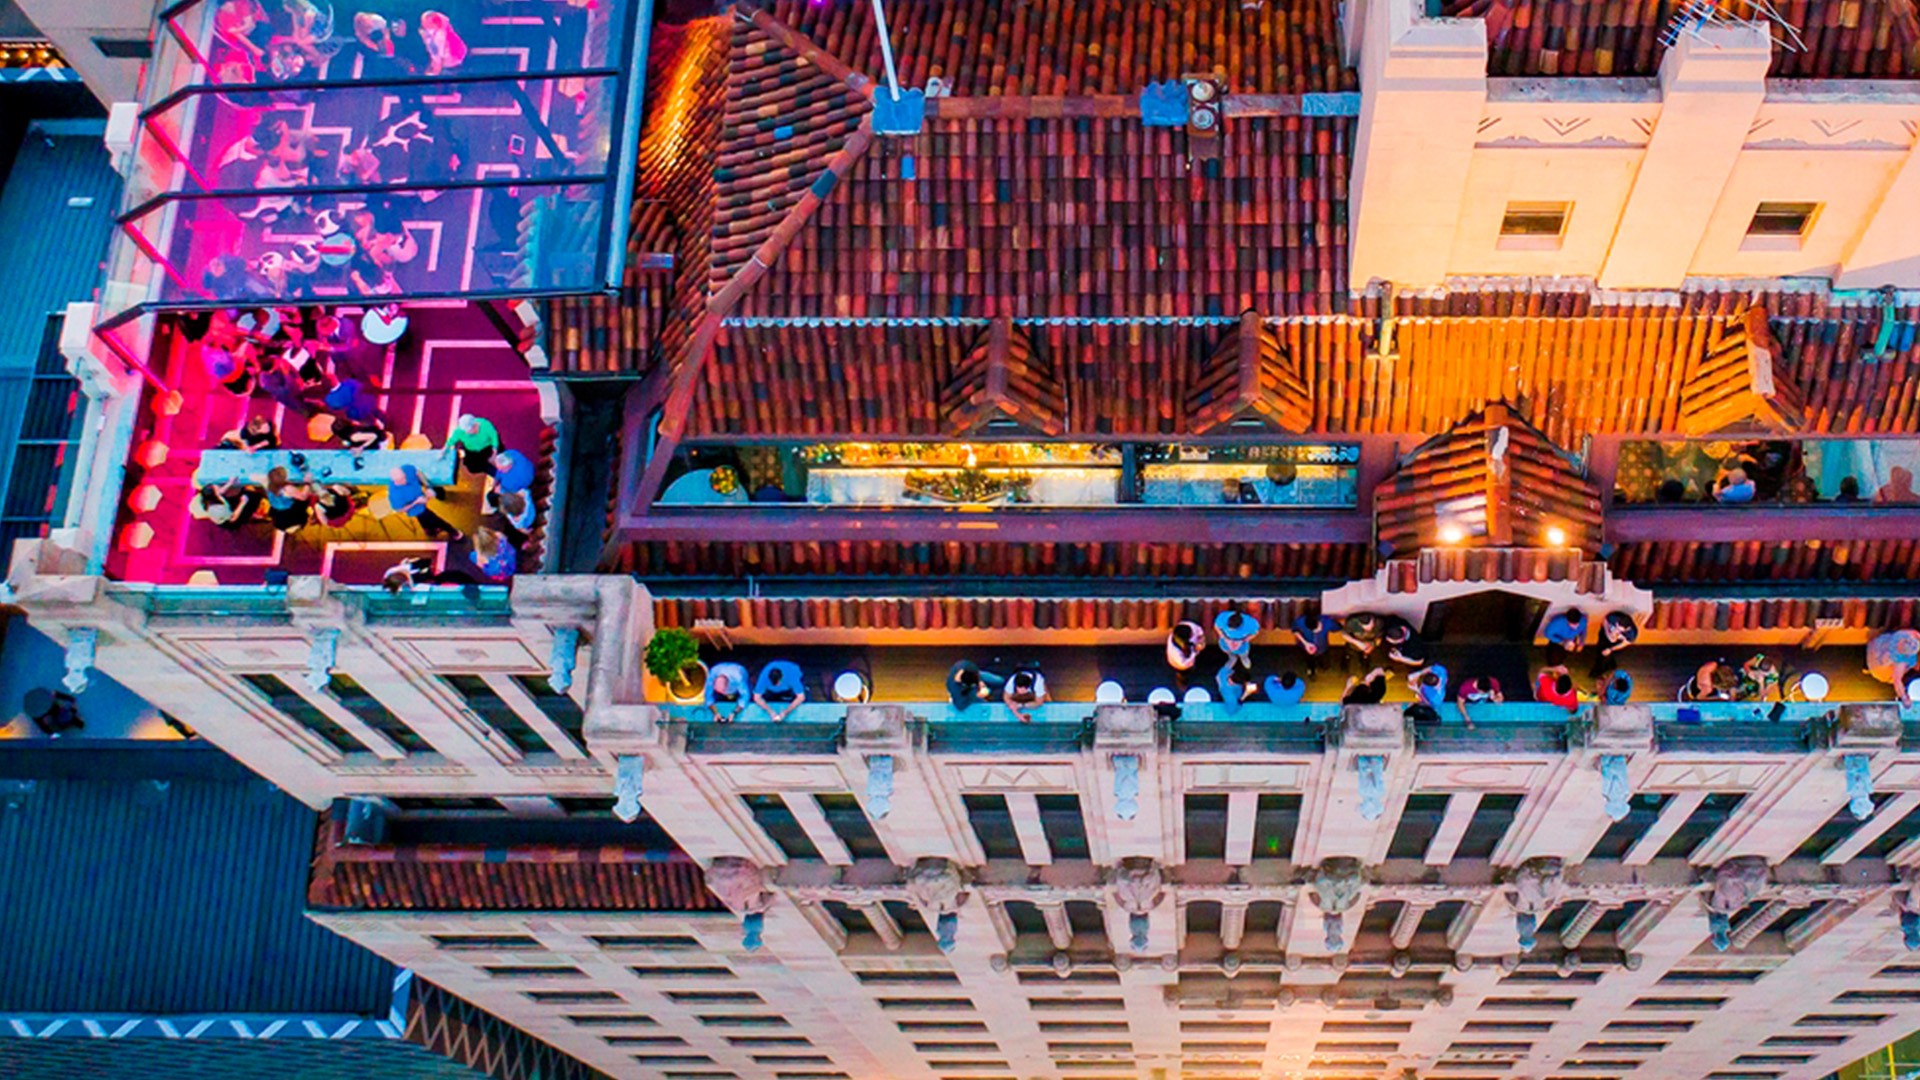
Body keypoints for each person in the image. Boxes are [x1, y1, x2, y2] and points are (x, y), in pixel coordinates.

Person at [387, 464, 463, 540]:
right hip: (415, 507)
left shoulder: (407, 469)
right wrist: (416, 502)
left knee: (424, 519)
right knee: (432, 518)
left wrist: (427, 486)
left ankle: (429, 530)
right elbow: (400, 509)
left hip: (419, 495)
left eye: (404, 477)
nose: (405, 480)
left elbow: (418, 472)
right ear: (395, 481)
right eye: (401, 480)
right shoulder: (395, 494)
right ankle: (453, 532)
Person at [1868, 630, 1920, 705]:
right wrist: (1904, 698)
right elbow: (1897, 681)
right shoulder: (1901, 661)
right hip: (1878, 667)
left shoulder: (1910, 634)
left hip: (1877, 646)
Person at [191, 480, 261, 530]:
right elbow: (232, 518)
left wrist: (230, 483)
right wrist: (242, 503)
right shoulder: (218, 509)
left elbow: (219, 492)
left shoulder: (208, 494)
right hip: (228, 518)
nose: (218, 487)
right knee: (250, 499)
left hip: (224, 506)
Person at [263, 466, 314, 533]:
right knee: (305, 498)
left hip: (277, 512)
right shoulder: (287, 489)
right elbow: (303, 497)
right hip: (289, 515)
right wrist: (307, 483)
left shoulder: (268, 484)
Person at [1291, 613, 1339, 677]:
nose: (1316, 631)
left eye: (1318, 627)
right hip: (1307, 648)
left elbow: (1338, 628)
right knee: (1309, 660)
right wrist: (1305, 643)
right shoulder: (1299, 621)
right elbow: (1294, 630)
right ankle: (1311, 670)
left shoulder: (1327, 621)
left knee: (1324, 662)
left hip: (1323, 647)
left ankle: (1323, 666)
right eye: (1312, 630)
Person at [1593, 611, 1640, 676]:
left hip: (1616, 644)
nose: (1617, 629)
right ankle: (1607, 666)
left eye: (1620, 630)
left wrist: (1611, 649)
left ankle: (1600, 671)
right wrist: (1608, 634)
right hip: (1605, 636)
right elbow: (1605, 621)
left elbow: (1624, 644)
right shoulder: (1614, 617)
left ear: (1627, 628)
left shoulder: (1632, 633)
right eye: (1616, 626)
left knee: (1605, 655)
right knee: (1601, 651)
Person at [1166, 620, 1204, 689]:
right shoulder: (1175, 652)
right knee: (1182, 674)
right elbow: (1184, 663)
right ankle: (1182, 681)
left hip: (1191, 657)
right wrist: (1195, 651)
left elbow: (1199, 630)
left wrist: (1201, 639)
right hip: (1179, 666)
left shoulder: (1188, 626)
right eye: (1191, 635)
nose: (1193, 634)